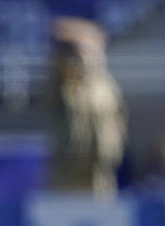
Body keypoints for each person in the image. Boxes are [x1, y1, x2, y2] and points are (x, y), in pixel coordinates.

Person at [48, 17, 126, 198]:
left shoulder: (104, 87)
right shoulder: (64, 88)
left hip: (99, 171)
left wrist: (88, 42)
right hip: (67, 170)